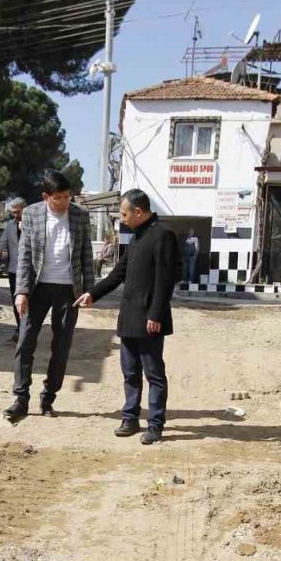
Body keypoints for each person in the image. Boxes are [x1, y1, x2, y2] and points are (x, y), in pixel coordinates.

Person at [75, 188, 176, 445]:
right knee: (130, 372)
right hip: (129, 318)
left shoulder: (163, 236)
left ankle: (155, 424)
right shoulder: (136, 237)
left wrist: (156, 314)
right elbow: (117, 274)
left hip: (150, 319)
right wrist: (93, 294)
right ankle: (130, 418)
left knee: (153, 373)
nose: (122, 218)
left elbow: (166, 281)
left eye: (124, 214)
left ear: (138, 212)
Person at [4, 170, 94, 419]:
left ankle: (48, 399)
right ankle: (21, 398)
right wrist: (21, 291)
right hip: (37, 288)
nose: (65, 202)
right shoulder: (32, 214)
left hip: (68, 290)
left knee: (62, 345)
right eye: (59, 197)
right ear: (46, 196)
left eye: (68, 196)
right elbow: (24, 255)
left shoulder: (80, 215)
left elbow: (87, 254)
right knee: (25, 341)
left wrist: (89, 290)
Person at [0, 197, 25, 328]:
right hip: (14, 270)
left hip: (29, 272)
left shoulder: (32, 225)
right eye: (13, 212)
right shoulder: (9, 226)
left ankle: (28, 329)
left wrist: (24, 229)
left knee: (29, 302)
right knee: (16, 301)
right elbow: (2, 242)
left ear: (24, 210)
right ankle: (20, 327)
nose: (15, 215)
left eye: (18, 212)